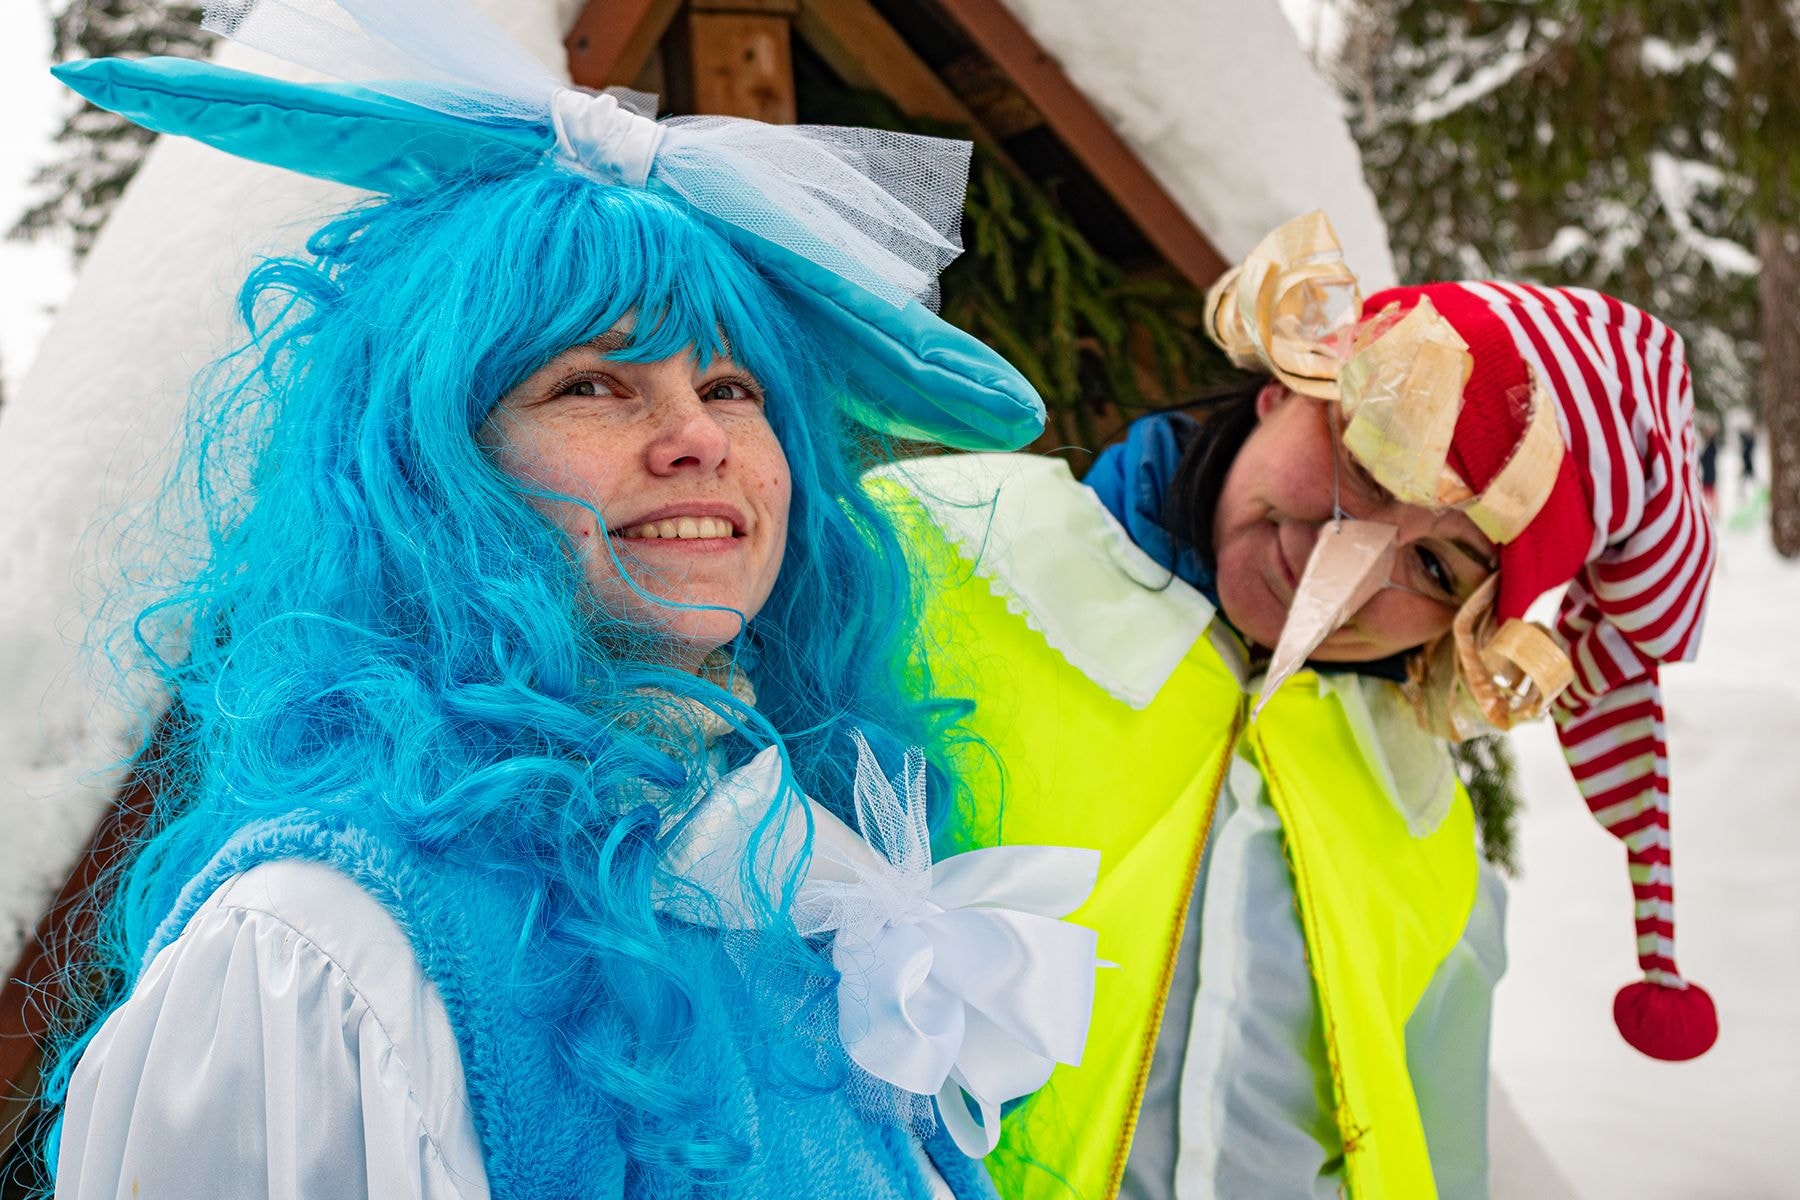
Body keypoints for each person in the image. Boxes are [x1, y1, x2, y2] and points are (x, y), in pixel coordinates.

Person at [41, 2, 1104, 1197]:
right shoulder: (324, 953)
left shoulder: (809, 874)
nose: (697, 436)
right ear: (432, 477)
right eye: (595, 382)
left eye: (732, 384)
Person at [878, 212, 1719, 1200]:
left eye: (1439, 564)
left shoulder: (1423, 823)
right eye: (1369, 462)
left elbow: (1438, 1156)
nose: (1347, 572)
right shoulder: (934, 557)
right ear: (1292, 381)